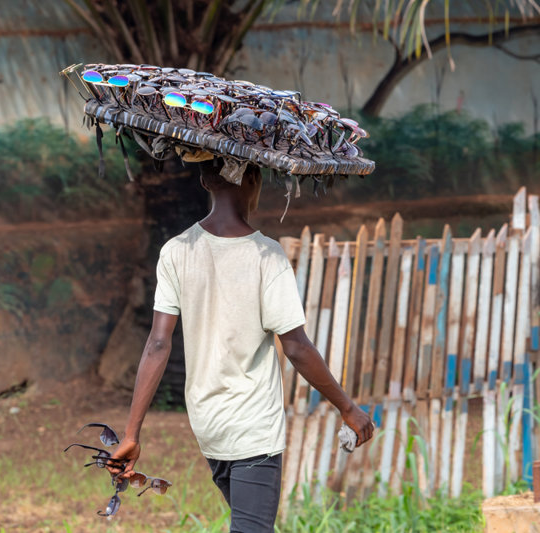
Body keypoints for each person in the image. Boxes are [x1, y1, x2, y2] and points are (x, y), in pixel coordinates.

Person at [108, 158, 373, 532]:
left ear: (204, 180)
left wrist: (133, 433)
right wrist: (348, 407)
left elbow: (157, 344)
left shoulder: (176, 251)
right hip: (252, 427)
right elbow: (295, 346)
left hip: (208, 424)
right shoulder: (266, 255)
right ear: (252, 178)